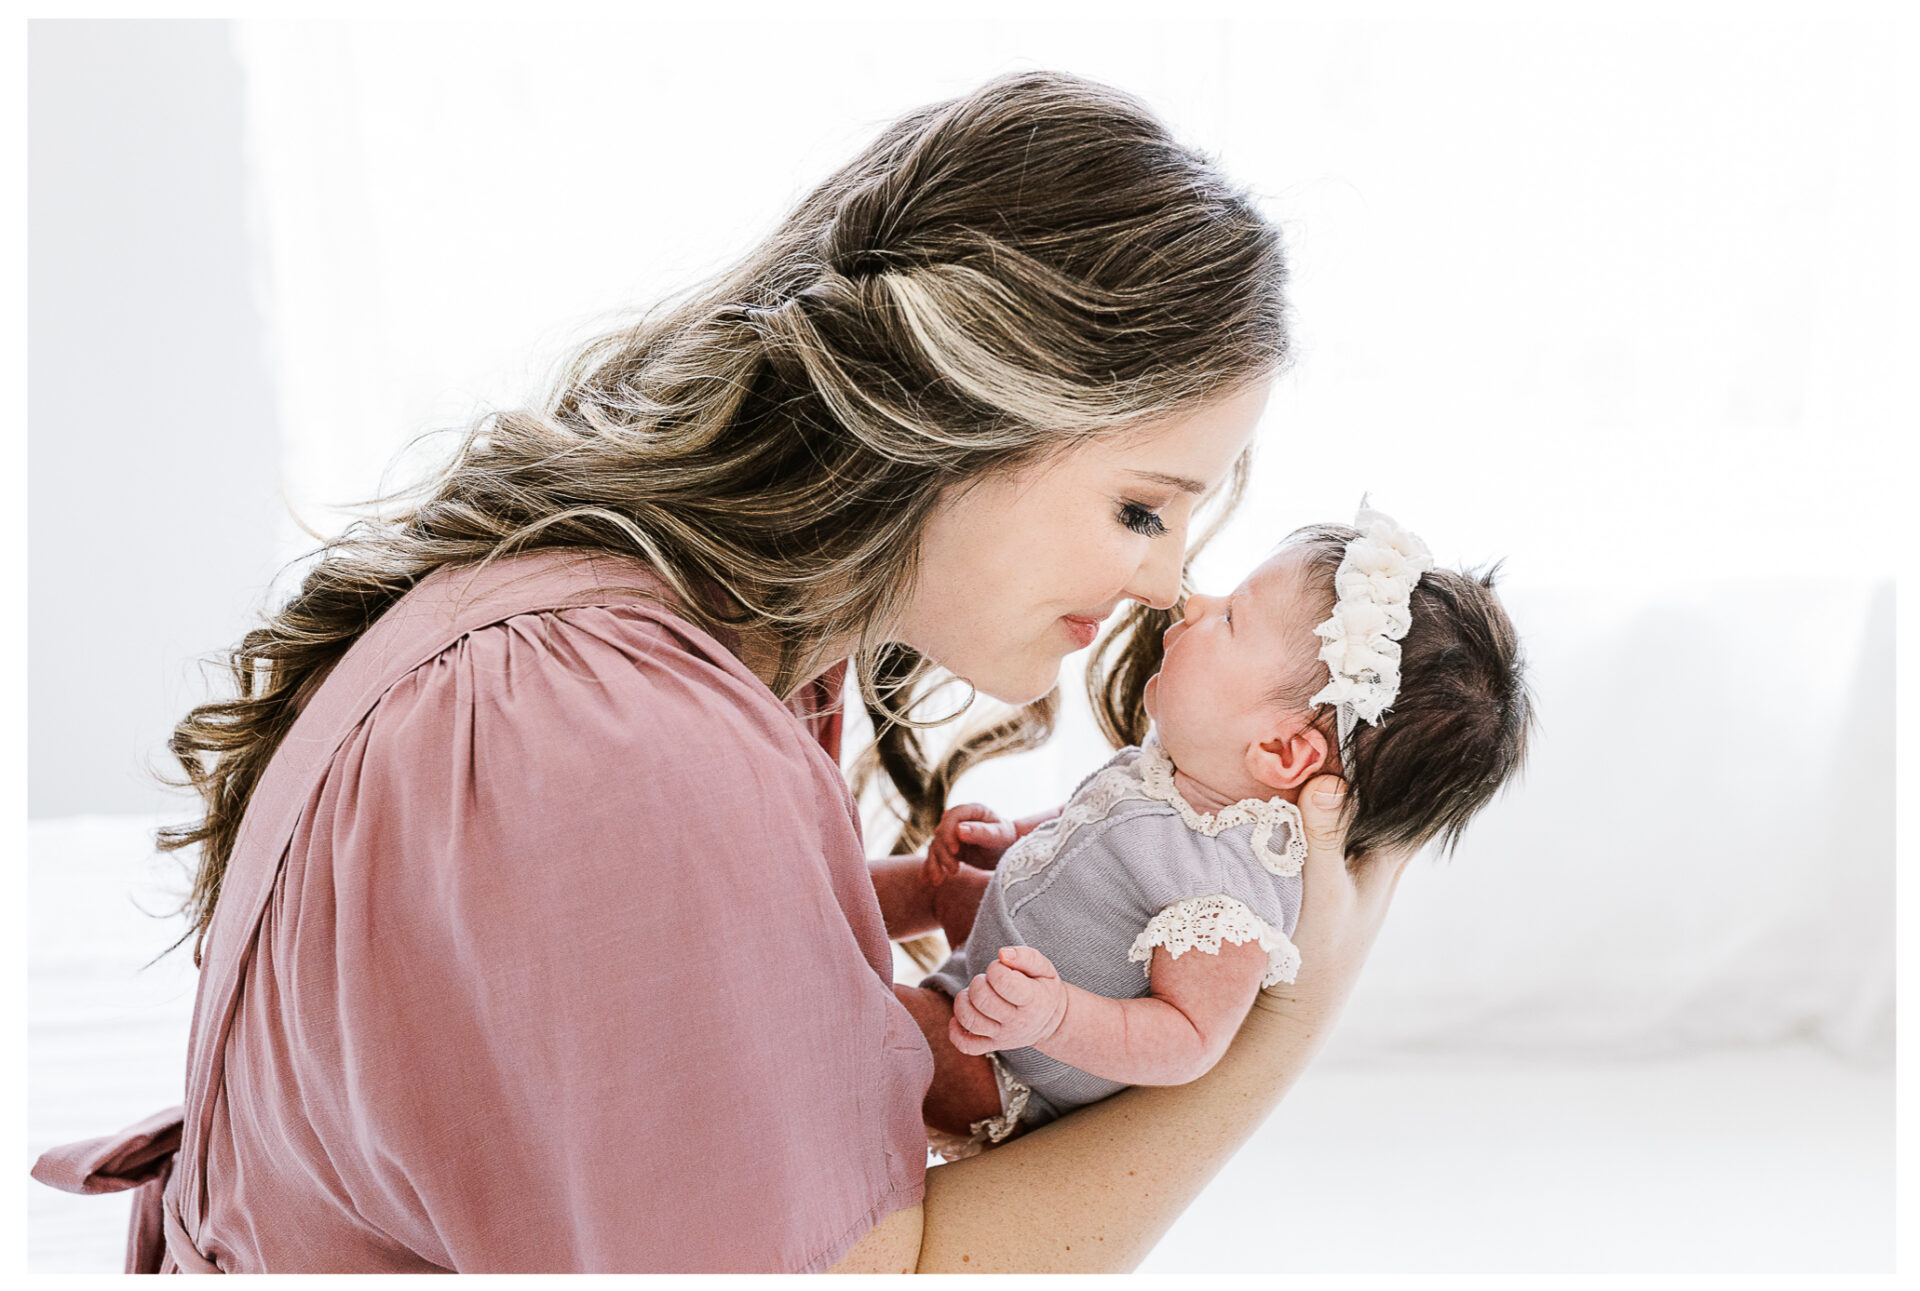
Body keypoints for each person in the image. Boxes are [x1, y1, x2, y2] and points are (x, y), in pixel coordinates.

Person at [31, 70, 1422, 1273]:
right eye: (1141, 506)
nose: (1172, 579)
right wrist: (1286, 1022)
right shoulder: (618, 737)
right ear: (958, 416)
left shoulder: (673, 637)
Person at [887, 507, 1533, 1158]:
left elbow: (1187, 1039)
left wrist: (1055, 1016)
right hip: (1001, 964)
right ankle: (818, 911)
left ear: (1281, 751)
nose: (1197, 602)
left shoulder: (1226, 893)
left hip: (1009, 1066)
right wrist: (1008, 837)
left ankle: (817, 981)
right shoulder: (1184, 771)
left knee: (885, 1026)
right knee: (943, 886)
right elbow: (1097, 823)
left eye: (1230, 619)